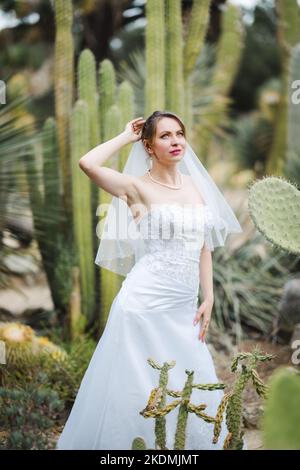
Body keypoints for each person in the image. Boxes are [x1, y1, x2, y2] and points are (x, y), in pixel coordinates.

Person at [56, 110, 244, 450]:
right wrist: (125, 136)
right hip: (142, 305)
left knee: (190, 377)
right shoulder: (136, 188)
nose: (175, 142)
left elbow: (204, 246)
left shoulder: (197, 185)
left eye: (179, 134)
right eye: (165, 136)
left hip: (183, 306)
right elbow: (87, 163)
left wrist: (209, 296)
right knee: (137, 385)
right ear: (149, 146)